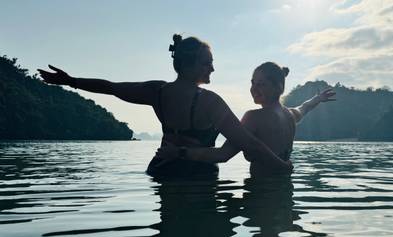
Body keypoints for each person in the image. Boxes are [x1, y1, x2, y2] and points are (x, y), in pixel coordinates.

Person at [38, 35, 292, 177]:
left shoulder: (157, 91)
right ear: (189, 65)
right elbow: (251, 144)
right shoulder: (210, 102)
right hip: (198, 177)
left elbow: (110, 86)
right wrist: (283, 167)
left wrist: (70, 82)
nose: (212, 68)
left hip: (162, 170)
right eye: (207, 63)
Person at [157, 62, 336, 176]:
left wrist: (180, 152)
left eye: (261, 84)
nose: (254, 88)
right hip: (283, 189)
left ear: (278, 88)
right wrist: (317, 99)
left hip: (259, 194)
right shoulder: (290, 115)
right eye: (252, 83)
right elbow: (304, 108)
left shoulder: (253, 118)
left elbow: (223, 155)